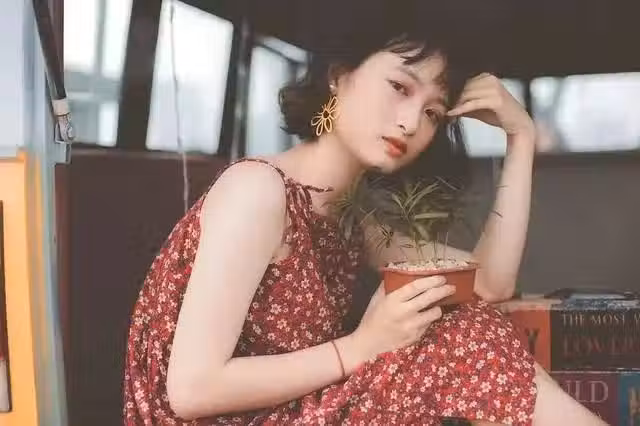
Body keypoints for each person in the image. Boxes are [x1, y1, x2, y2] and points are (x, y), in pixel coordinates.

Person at [123, 5, 606, 425]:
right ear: (339, 75)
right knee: (459, 337)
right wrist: (361, 346)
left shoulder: (350, 216)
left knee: (461, 320)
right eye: (399, 86)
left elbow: (489, 285)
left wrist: (521, 137)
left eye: (433, 112)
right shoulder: (258, 191)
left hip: (284, 412)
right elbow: (190, 391)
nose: (411, 122)